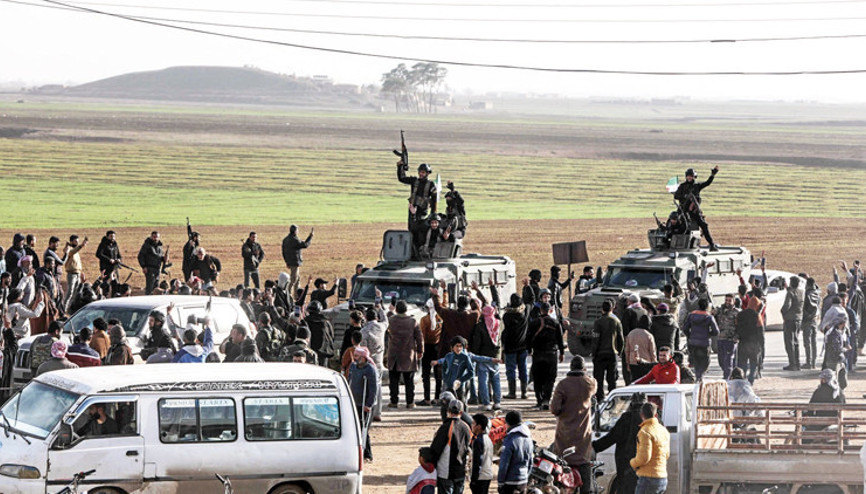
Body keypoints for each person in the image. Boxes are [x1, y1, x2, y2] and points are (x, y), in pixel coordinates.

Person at [550, 356, 597, 494]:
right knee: (584, 467)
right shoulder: (590, 384)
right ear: (584, 368)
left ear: (570, 367)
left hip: (564, 436)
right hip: (583, 437)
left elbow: (554, 409)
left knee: (561, 471)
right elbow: (594, 385)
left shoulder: (562, 385)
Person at [592, 392, 647, 494]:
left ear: (632, 404)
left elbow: (611, 437)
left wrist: (594, 447)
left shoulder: (627, 418)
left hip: (627, 467)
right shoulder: (653, 420)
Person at [468, 281, 502, 411]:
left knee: (483, 380)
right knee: (496, 379)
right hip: (496, 354)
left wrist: (475, 355)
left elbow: (477, 342)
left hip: (483, 355)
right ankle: (497, 402)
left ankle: (486, 402)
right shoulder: (498, 323)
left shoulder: (480, 326)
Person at [387, 300, 424, 408]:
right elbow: (419, 338)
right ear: (406, 309)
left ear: (396, 309)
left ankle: (394, 401)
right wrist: (420, 351)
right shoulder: (413, 321)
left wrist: (390, 311)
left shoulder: (391, 320)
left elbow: (387, 317)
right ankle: (410, 402)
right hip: (408, 354)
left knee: (394, 380)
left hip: (394, 354)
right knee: (409, 380)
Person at [430, 399, 471, 494]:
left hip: (446, 472)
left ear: (448, 411)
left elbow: (436, 449)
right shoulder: (466, 427)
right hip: (460, 471)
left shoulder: (445, 427)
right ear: (461, 412)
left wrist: (432, 465)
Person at [529, 302, 565, 410]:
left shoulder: (534, 323)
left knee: (537, 378)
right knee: (550, 378)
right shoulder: (556, 323)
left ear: (541, 310)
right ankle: (546, 400)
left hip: (538, 353)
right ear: (550, 310)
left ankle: (539, 400)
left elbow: (528, 337)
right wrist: (562, 353)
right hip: (551, 353)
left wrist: (529, 349)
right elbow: (560, 339)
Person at [673, 166, 719, 251]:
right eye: (688, 176)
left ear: (694, 176)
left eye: (691, 176)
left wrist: (712, 175)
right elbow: (676, 196)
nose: (689, 178)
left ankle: (711, 245)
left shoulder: (697, 186)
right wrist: (684, 196)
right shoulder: (682, 186)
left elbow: (707, 183)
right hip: (683, 211)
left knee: (704, 225)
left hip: (694, 211)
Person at [630, 402, 670, 494]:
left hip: (648, 478)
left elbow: (644, 457)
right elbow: (667, 455)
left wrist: (633, 463)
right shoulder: (663, 430)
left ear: (641, 415)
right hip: (662, 477)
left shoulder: (644, 431)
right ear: (656, 415)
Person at [348, 346, 378, 462]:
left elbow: (373, 389)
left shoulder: (370, 369)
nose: (355, 358)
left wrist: (369, 404)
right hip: (355, 402)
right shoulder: (353, 366)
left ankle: (367, 454)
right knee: (355, 428)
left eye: (357, 356)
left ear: (363, 357)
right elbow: (350, 381)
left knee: (363, 429)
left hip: (365, 405)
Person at [591, 299, 624, 402]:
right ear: (612, 308)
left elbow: (595, 339)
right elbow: (621, 339)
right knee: (612, 378)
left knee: (598, 378)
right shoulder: (616, 321)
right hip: (612, 353)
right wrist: (620, 352)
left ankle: (600, 398)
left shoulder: (598, 322)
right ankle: (612, 398)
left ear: (602, 309)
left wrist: (593, 353)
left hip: (600, 354)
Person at [502, 293, 531, 400]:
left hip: (510, 347)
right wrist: (528, 287)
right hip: (522, 346)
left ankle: (512, 392)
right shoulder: (524, 314)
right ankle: (524, 392)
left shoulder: (506, 316)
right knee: (523, 369)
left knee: (511, 370)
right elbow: (531, 301)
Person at [682, 298, 719, 380]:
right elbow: (716, 331)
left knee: (696, 361)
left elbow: (685, 328)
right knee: (705, 361)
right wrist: (709, 334)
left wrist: (690, 335)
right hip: (704, 343)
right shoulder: (709, 317)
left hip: (693, 342)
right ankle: (700, 375)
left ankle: (698, 376)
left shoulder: (691, 315)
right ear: (707, 307)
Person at [498, 410, 534, 494]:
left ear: (507, 423)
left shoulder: (510, 439)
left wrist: (500, 482)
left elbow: (504, 464)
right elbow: (530, 462)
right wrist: (525, 476)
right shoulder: (528, 439)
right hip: (523, 481)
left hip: (510, 483)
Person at [397, 160, 438, 233]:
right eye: (420, 172)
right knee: (411, 229)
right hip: (412, 210)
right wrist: (400, 167)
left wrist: (433, 215)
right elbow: (402, 178)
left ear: (427, 173)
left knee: (420, 230)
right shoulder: (414, 181)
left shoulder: (431, 185)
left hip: (423, 211)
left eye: (423, 172)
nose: (421, 174)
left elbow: (434, 200)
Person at [361, 306, 386, 420]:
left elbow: (364, 349)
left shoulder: (364, 331)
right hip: (379, 361)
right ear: (376, 317)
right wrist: (380, 308)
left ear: (366, 317)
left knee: (369, 387)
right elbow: (385, 320)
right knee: (378, 386)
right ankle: (378, 412)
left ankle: (369, 411)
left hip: (369, 362)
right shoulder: (381, 327)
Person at [420, 297, 444, 406]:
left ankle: (427, 399)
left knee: (426, 375)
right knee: (438, 375)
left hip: (427, 348)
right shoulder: (440, 319)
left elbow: (422, 336)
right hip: (438, 348)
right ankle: (437, 397)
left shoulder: (424, 320)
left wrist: (420, 349)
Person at [281, 225, 314, 296]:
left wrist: (286, 261)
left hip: (290, 262)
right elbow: (305, 245)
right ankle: (288, 295)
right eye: (297, 230)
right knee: (293, 279)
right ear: (295, 231)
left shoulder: (285, 239)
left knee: (297, 279)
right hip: (295, 262)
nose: (298, 231)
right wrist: (310, 237)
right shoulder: (294, 240)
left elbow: (283, 252)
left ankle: (296, 295)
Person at [714, 294, 740, 379]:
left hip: (730, 340)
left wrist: (736, 337)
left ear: (734, 302)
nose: (727, 302)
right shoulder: (720, 310)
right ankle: (728, 374)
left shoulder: (736, 312)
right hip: (720, 338)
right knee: (721, 361)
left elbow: (740, 326)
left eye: (729, 300)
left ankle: (727, 378)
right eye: (726, 300)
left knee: (728, 361)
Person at [781, 276, 805, 371]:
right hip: (798, 319)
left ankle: (792, 363)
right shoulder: (801, 292)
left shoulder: (790, 293)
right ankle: (797, 363)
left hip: (790, 319)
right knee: (796, 341)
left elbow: (787, 305)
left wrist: (783, 312)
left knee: (789, 342)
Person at [305, 300, 335, 367]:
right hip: (324, 352)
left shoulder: (306, 321)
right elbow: (331, 336)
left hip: (310, 351)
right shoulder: (326, 322)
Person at [469, 413, 494, 494]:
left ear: (479, 426)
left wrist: (473, 480)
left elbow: (477, 462)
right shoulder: (488, 439)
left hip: (480, 477)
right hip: (487, 475)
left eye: (473, 423)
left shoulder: (478, 441)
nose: (471, 426)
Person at [63, 235, 87, 311]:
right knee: (70, 292)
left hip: (77, 273)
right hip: (71, 274)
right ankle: (64, 308)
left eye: (78, 241)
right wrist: (81, 246)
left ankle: (71, 308)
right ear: (71, 241)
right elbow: (72, 252)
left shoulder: (75, 250)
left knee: (75, 292)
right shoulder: (68, 249)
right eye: (76, 241)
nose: (77, 243)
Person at [802, 277, 821, 370]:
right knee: (814, 342)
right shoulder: (817, 293)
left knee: (807, 341)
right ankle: (813, 362)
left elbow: (803, 307)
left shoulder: (806, 294)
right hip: (815, 319)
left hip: (807, 319)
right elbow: (818, 288)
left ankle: (808, 362)